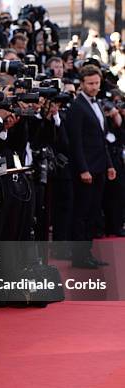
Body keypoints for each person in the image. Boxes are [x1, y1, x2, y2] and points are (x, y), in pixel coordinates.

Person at [66, 64, 117, 269]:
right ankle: (79, 257)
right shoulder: (77, 107)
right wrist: (82, 169)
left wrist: (109, 165)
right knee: (81, 213)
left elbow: (101, 139)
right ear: (82, 84)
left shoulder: (97, 104)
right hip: (86, 170)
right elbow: (75, 142)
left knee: (93, 212)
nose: (94, 87)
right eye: (90, 84)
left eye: (97, 83)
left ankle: (87, 254)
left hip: (99, 167)